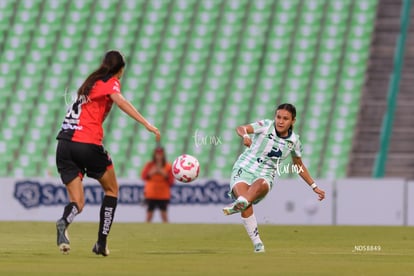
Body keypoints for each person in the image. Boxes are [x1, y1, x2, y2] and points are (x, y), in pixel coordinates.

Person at [55, 50, 160, 256]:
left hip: (64, 144)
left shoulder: (89, 84)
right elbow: (120, 101)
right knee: (111, 190)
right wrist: (147, 124)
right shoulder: (109, 81)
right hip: (86, 143)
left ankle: (64, 221)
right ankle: (101, 243)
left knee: (78, 202)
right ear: (120, 69)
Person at [222, 103, 325, 253]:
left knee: (258, 188)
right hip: (244, 168)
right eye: (278, 117)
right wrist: (245, 135)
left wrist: (314, 186)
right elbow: (241, 128)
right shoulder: (265, 125)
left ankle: (240, 203)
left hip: (265, 174)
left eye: (285, 118)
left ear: (293, 121)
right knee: (245, 200)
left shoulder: (294, 142)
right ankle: (258, 244)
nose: (280, 121)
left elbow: (298, 165)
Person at [141, 147, 175, 223]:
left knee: (164, 215)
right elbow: (143, 176)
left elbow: (171, 181)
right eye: (157, 154)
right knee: (149, 215)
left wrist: (164, 174)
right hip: (151, 193)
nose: (158, 156)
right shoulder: (149, 165)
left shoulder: (168, 166)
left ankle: (166, 231)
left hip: (163, 194)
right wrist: (151, 172)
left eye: (160, 154)